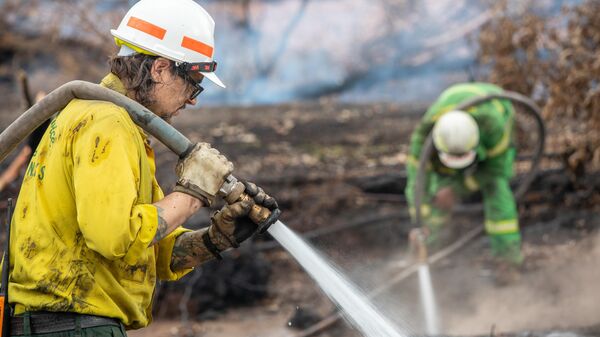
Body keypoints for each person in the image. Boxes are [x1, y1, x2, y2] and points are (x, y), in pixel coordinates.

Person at [5, 0, 279, 336]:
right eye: (193, 81)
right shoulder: (109, 123)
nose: (193, 97)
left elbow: (146, 247)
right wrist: (192, 193)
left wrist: (215, 239)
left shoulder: (90, 115)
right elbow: (115, 237)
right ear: (161, 69)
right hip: (74, 327)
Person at [405, 82, 522, 269]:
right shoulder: (424, 137)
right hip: (451, 120)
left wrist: (458, 188)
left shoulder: (493, 126)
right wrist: (420, 223)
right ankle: (429, 251)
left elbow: (497, 168)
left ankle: (507, 260)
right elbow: (416, 185)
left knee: (497, 189)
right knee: (437, 193)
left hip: (497, 109)